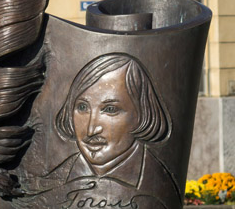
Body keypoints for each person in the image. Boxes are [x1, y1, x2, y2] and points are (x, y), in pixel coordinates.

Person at [51, 52, 173, 189]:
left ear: (142, 114)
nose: (91, 130)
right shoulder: (50, 182)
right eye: (82, 107)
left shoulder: (160, 184)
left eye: (110, 109)